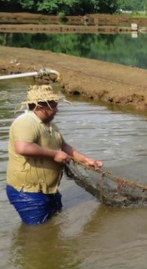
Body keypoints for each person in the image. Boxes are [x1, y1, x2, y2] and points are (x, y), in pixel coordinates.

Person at [6, 85, 103, 226]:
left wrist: (87, 160)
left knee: (52, 227)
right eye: (53, 106)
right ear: (41, 108)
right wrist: (54, 154)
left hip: (49, 189)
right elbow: (23, 147)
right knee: (37, 235)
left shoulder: (49, 124)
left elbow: (63, 146)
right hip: (28, 192)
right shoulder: (26, 122)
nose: (57, 110)